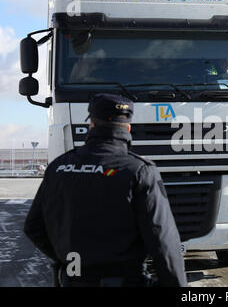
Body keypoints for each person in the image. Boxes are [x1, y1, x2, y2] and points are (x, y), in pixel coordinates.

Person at [24, 93, 187, 287]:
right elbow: (163, 242)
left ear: (92, 124)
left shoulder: (58, 167)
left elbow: (33, 227)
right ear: (128, 127)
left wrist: (69, 258)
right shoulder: (139, 171)